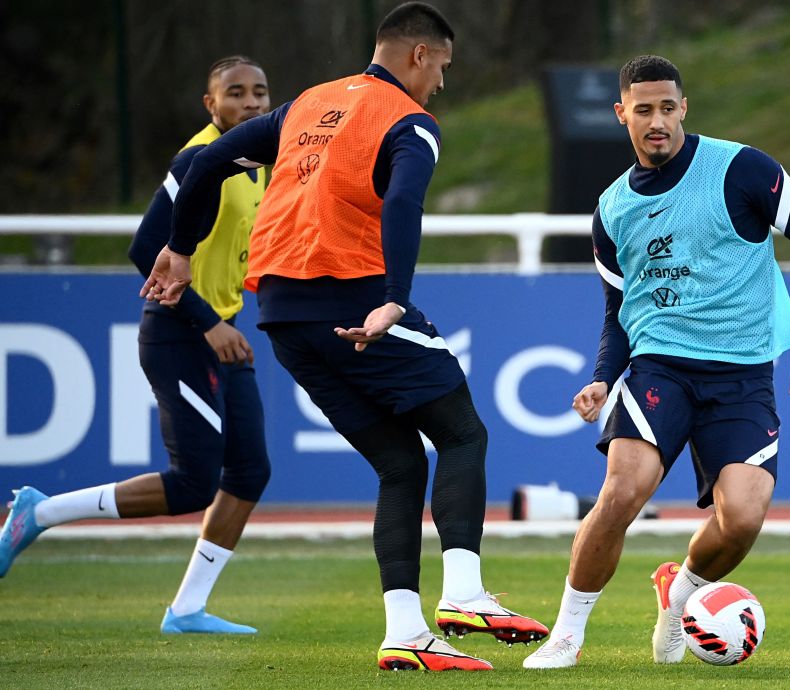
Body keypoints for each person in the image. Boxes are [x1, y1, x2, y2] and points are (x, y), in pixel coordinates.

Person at [139, 2, 548, 672]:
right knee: (463, 433)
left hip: (281, 318)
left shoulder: (307, 104)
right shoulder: (409, 120)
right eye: (442, 66)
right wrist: (395, 300)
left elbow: (208, 160)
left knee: (399, 463)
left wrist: (179, 248)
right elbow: (406, 203)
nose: (441, 82)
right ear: (420, 55)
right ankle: (467, 594)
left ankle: (405, 632)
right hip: (354, 302)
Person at [524, 55, 790, 669]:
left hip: (743, 374)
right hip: (659, 370)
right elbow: (620, 309)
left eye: (668, 107)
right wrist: (601, 377)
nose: (657, 121)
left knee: (744, 518)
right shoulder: (613, 209)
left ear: (684, 109)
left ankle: (682, 594)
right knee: (623, 491)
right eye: (643, 110)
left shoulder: (741, 169)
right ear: (622, 115)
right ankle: (565, 634)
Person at [0, 56, 273, 635]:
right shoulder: (199, 158)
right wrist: (208, 322)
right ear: (211, 104)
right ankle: (38, 513)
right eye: (235, 93)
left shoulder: (256, 163)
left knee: (249, 471)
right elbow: (146, 245)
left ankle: (187, 610)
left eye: (259, 92)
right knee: (194, 483)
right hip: (179, 333)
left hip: (219, 331)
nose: (250, 103)